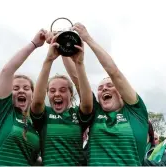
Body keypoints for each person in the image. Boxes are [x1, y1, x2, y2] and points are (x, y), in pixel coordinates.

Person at [62, 23, 149, 166]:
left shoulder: (136, 112)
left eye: (109, 85)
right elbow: (77, 79)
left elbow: (114, 72)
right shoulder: (95, 112)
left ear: (121, 92)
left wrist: (87, 39)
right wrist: (62, 48)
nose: (104, 89)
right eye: (100, 88)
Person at [30, 34, 93, 166]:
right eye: (52, 91)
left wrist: (79, 63)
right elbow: (36, 103)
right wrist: (49, 60)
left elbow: (87, 104)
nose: (57, 94)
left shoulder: (77, 114)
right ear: (47, 94)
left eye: (63, 90)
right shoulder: (44, 115)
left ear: (71, 94)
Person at [0, 29, 46, 166]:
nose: (21, 91)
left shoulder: (34, 125)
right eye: (15, 88)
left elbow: (32, 159)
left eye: (26, 88)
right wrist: (34, 44)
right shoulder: (1, 114)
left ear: (32, 94)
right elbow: (7, 72)